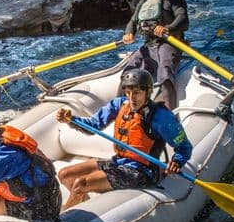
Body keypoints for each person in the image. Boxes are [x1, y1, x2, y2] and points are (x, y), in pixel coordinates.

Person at [55, 69, 193, 210]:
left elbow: (184, 147)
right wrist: (71, 120)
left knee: (80, 184)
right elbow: (93, 126)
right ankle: (82, 201)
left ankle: (65, 217)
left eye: (137, 93)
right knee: (65, 175)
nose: (132, 98)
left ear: (147, 92)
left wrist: (177, 161)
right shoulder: (119, 105)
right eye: (128, 92)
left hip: (142, 172)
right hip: (118, 162)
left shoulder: (161, 117)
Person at [122, 0, 188, 110]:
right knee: (128, 73)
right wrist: (129, 33)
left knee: (164, 72)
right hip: (148, 45)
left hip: (169, 44)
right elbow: (133, 21)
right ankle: (122, 110)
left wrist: (167, 28)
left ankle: (169, 113)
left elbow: (183, 20)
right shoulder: (144, 1)